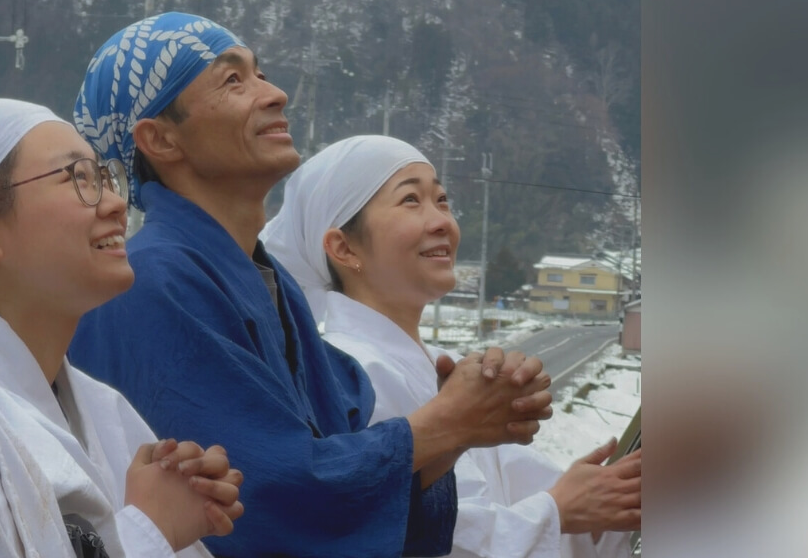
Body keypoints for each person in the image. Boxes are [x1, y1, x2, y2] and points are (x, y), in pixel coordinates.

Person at [68, 12, 556, 557]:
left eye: (260, 73)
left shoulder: (271, 286)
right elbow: (260, 494)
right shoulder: (152, 281)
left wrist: (462, 425)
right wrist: (446, 423)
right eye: (234, 81)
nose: (275, 94)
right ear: (160, 139)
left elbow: (341, 455)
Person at [260, 135, 642, 558]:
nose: (442, 220)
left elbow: (539, 496)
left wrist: (611, 495)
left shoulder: (448, 368)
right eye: (411, 200)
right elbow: (417, 535)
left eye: (442, 200)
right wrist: (558, 513)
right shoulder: (348, 374)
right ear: (343, 247)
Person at [0, 98, 246, 557]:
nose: (113, 204)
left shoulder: (104, 408)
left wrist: (182, 505)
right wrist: (154, 526)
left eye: (104, 178)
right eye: (77, 179)